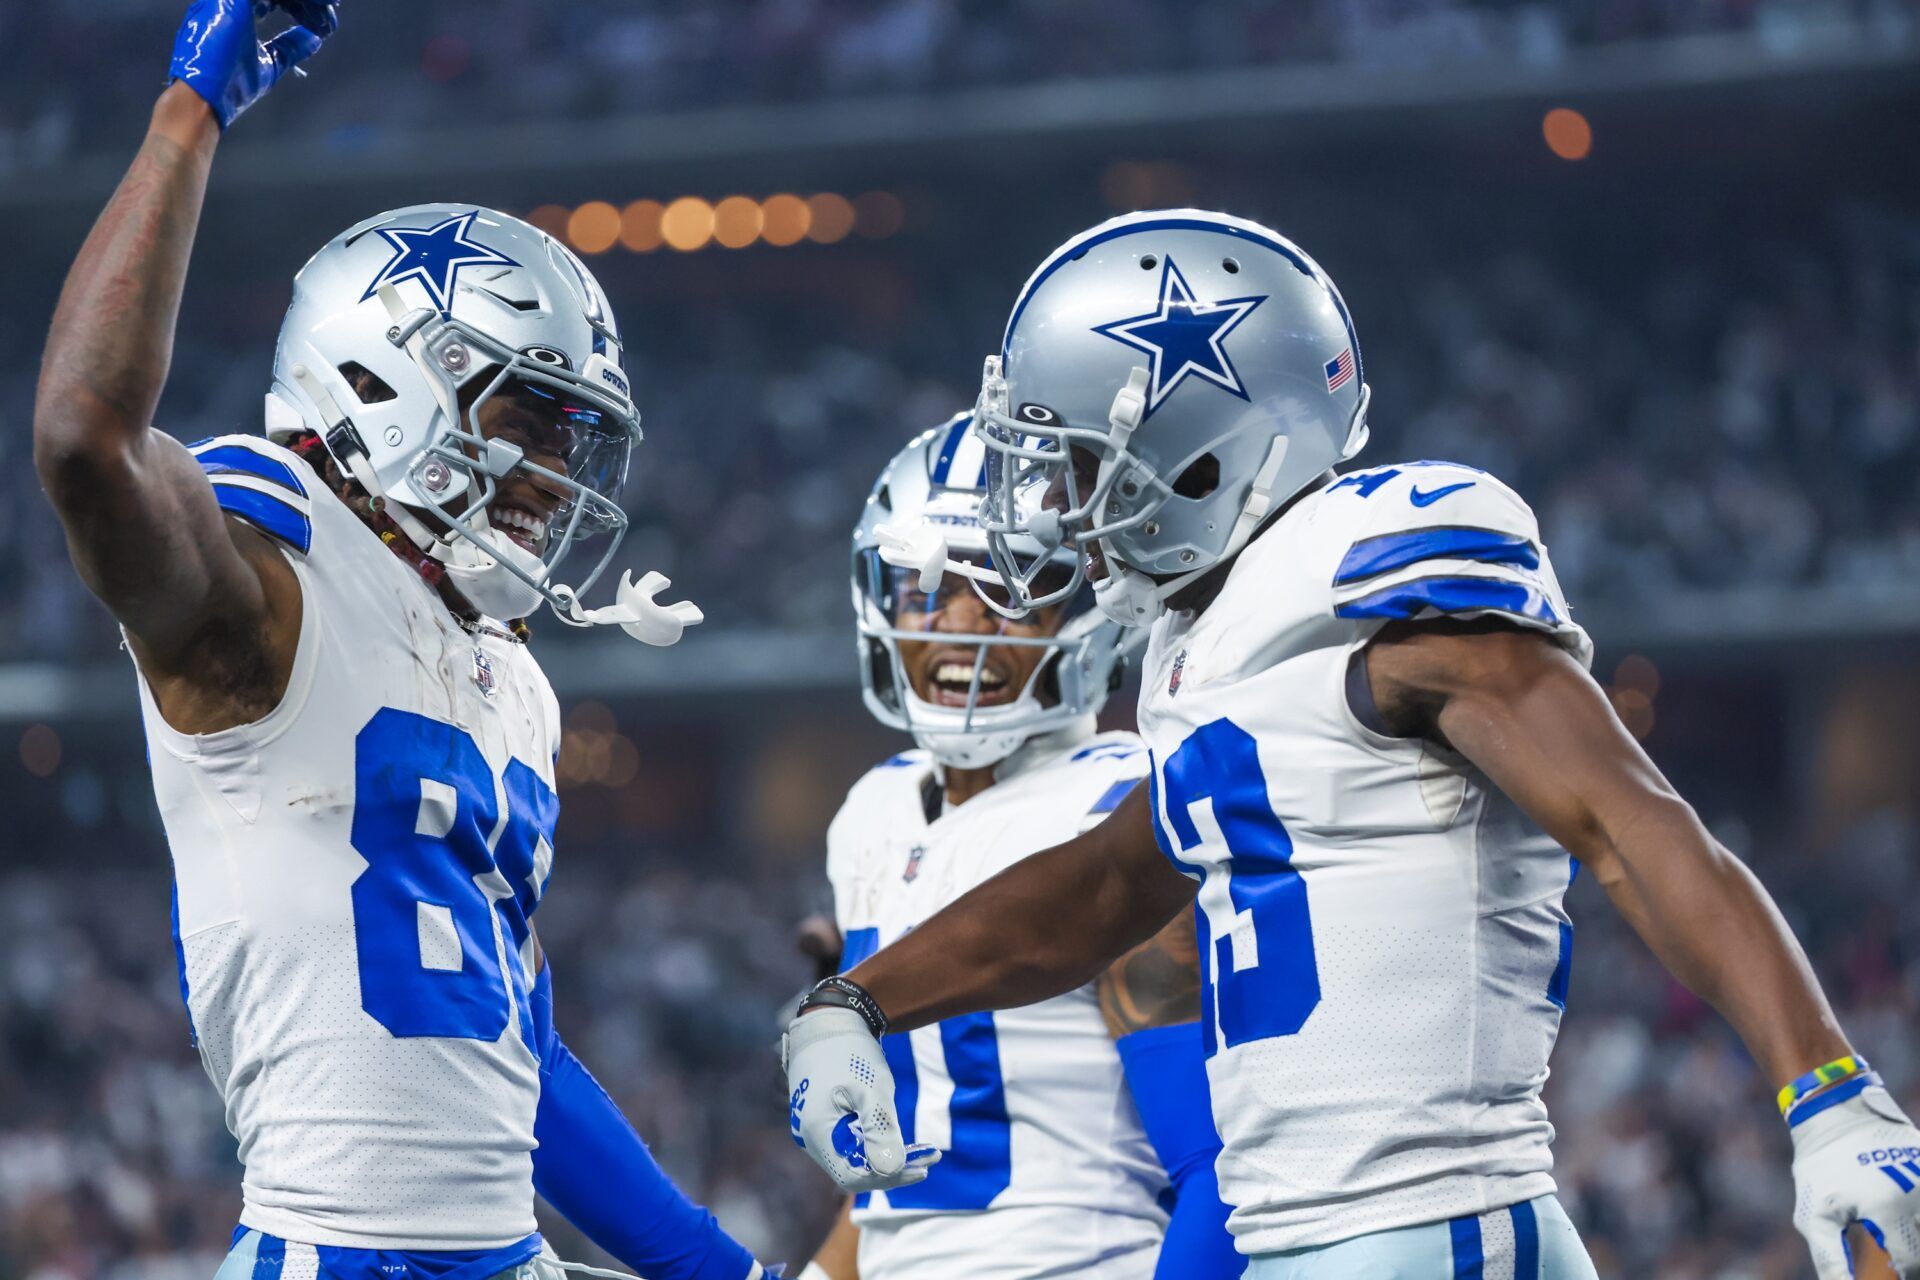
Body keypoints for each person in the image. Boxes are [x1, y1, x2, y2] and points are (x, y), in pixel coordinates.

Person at [781, 210, 1920, 1279]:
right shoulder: (1202, 649)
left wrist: (1824, 1088)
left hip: (1433, 1223)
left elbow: (1632, 824)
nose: (1060, 510)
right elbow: (1108, 879)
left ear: (1200, 446)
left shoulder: (1389, 595)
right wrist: (857, 1001)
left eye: (1076, 464)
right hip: (1308, 1237)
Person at [32, 5, 759, 1278]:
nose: (553, 474)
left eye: (572, 438)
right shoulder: (271, 570)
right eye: (527, 418)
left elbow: (515, 1049)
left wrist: (719, 1267)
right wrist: (188, 112)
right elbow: (86, 441)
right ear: (381, 377)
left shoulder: (506, 669)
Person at [792, 419, 1239, 1280]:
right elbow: (915, 1167)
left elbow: (1220, 1171)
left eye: (1009, 589)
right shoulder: (872, 811)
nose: (962, 625)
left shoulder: (1118, 812)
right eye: (926, 588)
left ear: (1086, 607)